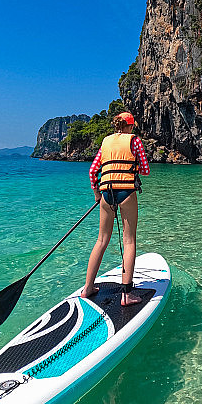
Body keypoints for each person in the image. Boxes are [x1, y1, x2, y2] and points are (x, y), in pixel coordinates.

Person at [81, 112, 150, 306]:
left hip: (106, 194)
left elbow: (93, 171)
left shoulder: (105, 142)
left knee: (101, 240)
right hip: (126, 193)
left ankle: (87, 288)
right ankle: (127, 295)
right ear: (129, 126)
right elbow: (145, 169)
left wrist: (97, 193)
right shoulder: (134, 141)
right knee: (129, 241)